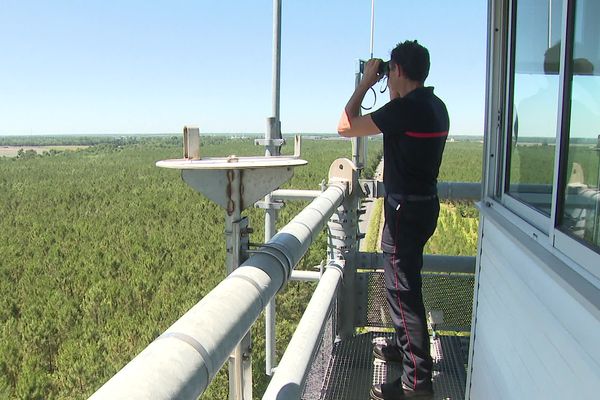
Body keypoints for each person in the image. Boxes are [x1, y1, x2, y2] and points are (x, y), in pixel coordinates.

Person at [337, 40, 449, 400]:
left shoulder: (403, 111)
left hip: (403, 213)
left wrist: (366, 83)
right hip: (424, 206)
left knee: (402, 294)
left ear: (397, 70)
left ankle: (417, 383)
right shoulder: (436, 106)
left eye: (388, 72)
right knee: (406, 286)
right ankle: (405, 352)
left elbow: (345, 125)